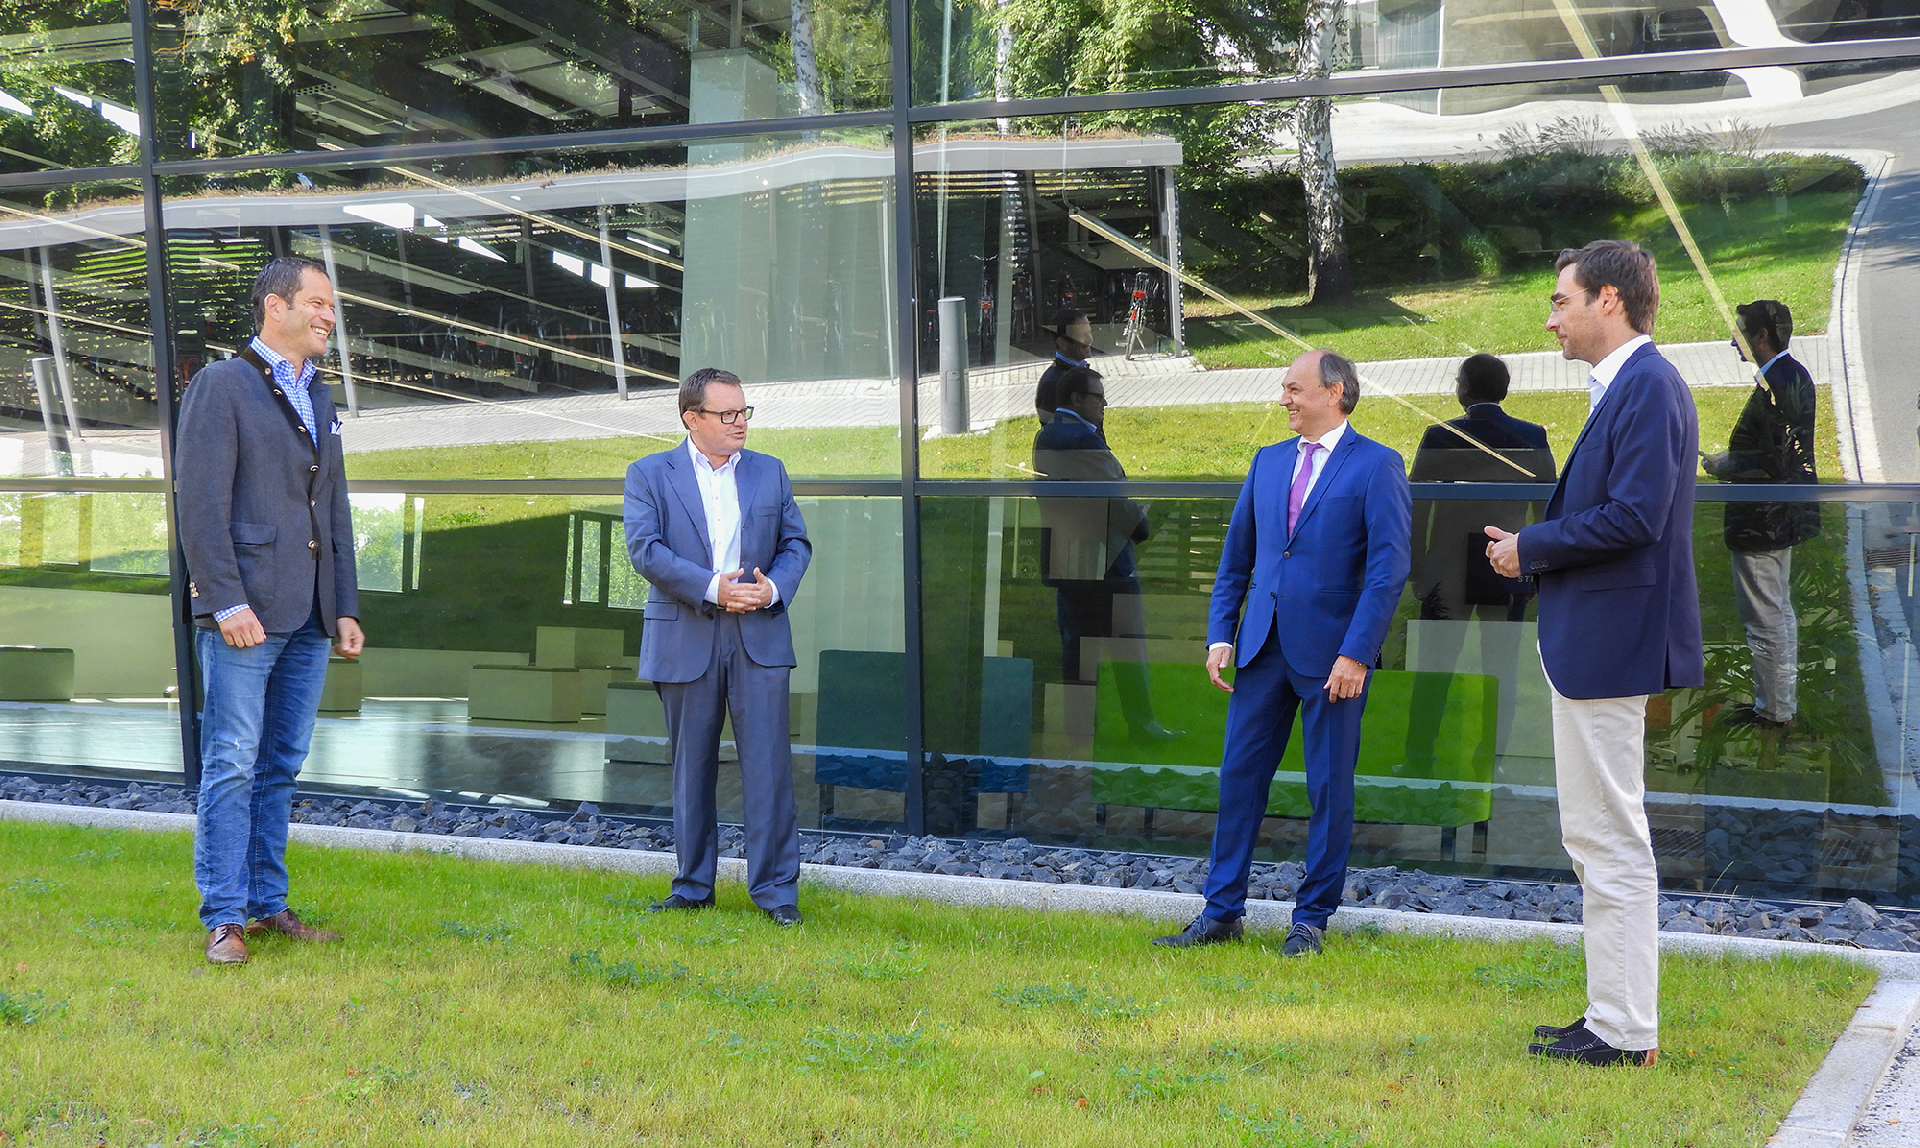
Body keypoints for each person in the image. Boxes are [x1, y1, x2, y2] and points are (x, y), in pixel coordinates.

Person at [1486, 240, 1703, 1067]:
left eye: (1560, 300)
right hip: (1599, 643)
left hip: (1611, 646)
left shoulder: (1646, 386)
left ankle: (1625, 1031)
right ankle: (1610, 1016)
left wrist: (1530, 547)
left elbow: (1635, 517)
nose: (1551, 318)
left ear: (1608, 300)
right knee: (1596, 835)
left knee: (1611, 837)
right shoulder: (1632, 388)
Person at [1153, 349, 1410, 957]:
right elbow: (1237, 558)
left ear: (1336, 391)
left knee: (1328, 788)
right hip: (1261, 648)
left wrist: (1357, 654)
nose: (1284, 400)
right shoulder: (1267, 463)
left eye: (1295, 389)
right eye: (1284, 389)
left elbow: (1388, 571)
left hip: (1333, 661)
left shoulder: (1377, 466)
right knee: (1239, 780)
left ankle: (1312, 921)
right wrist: (1221, 634)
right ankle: (1221, 914)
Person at [175, 255, 364, 965]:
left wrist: (343, 604)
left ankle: (266, 903)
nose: (328, 316)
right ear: (273, 307)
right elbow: (199, 505)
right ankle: (223, 917)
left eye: (330, 306)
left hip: (310, 614)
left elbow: (333, 509)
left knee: (280, 764)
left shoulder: (319, 395)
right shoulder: (221, 387)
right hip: (245, 614)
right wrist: (224, 600)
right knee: (231, 761)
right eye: (316, 303)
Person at [624, 368, 812, 926]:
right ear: (692, 418)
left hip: (759, 635)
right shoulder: (648, 474)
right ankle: (692, 887)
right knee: (691, 768)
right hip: (686, 634)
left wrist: (771, 588)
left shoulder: (770, 472)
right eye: (728, 414)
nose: (740, 424)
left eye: (744, 412)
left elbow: (795, 543)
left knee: (770, 770)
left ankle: (777, 894)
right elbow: (644, 549)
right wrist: (713, 587)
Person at [1032, 365, 1179, 741]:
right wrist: (1142, 523)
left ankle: (1079, 731)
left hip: (1067, 562)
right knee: (1129, 646)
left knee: (1077, 650)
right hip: (1107, 560)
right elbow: (1113, 501)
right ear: (1077, 399)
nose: (1105, 404)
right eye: (1098, 396)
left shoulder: (1046, 436)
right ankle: (1142, 727)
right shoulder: (1082, 439)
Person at [1701, 300, 1819, 731]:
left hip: (1762, 519)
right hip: (1781, 514)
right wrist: (1730, 457)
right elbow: (1776, 448)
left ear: (1761, 337)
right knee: (1779, 611)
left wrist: (1725, 466)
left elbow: (1770, 459)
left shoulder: (1776, 383)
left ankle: (1773, 710)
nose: (1734, 338)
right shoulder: (1792, 375)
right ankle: (1778, 702)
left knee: (1765, 617)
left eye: (1741, 331)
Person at [1408, 353, 1557, 623]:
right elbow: (1546, 505)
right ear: (1504, 389)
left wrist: (1417, 568)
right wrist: (1538, 565)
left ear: (1464, 387)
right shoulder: (1532, 437)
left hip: (1447, 565)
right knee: (1500, 656)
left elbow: (1416, 506)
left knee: (1439, 655)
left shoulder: (1440, 436)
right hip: (1508, 558)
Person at [1033, 309, 1094, 425]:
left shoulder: (1080, 372)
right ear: (1063, 343)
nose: (1090, 340)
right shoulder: (1053, 383)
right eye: (1082, 335)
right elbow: (1055, 434)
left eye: (1089, 333)